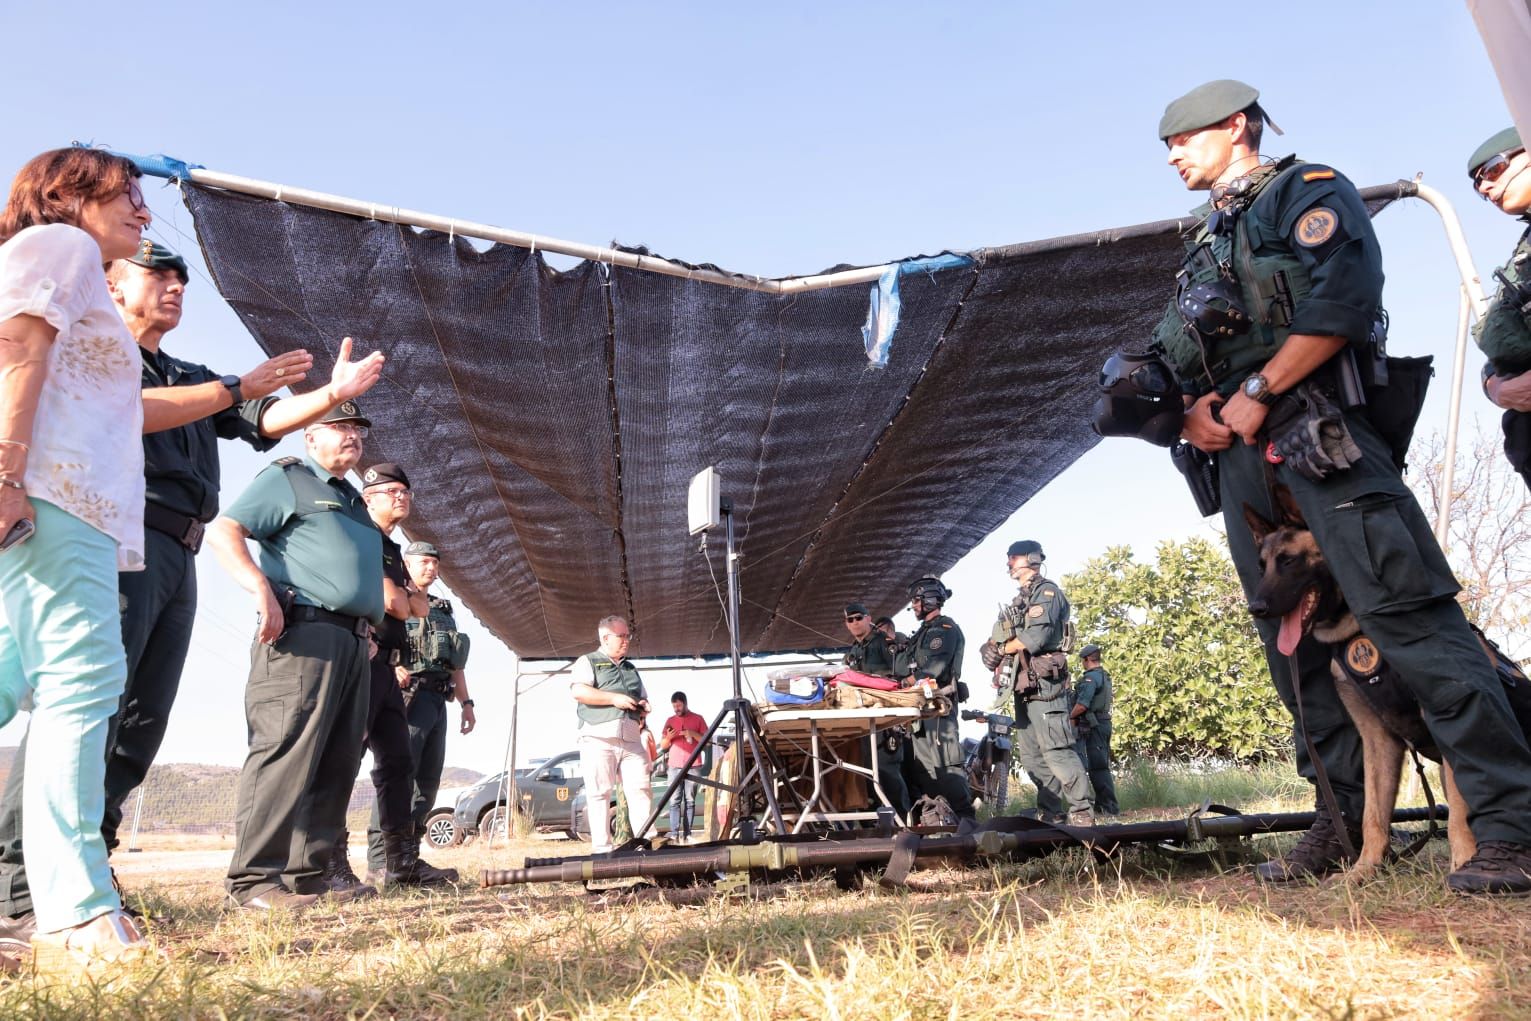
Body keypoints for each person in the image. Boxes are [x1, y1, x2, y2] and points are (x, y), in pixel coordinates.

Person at [1154, 79, 1531, 892]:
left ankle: (1509, 827)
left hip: (1318, 434)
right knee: (1290, 649)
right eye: (1167, 148)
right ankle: (1340, 824)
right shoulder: (1203, 242)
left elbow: (1345, 299)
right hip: (1239, 456)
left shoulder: (1307, 192)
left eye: (1184, 139)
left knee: (1411, 621)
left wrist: (1258, 393)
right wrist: (1189, 414)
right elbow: (1171, 353)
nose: (1174, 155)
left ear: (1236, 126)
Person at [0, 241, 383, 933]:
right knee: (84, 707)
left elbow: (259, 421)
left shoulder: (190, 372)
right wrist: (238, 384)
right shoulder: (98, 349)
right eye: (158, 275)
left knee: (138, 723)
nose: (175, 287)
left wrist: (332, 395)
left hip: (178, 548)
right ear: (111, 285)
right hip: (112, 532)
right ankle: (20, 884)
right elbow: (146, 407)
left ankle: (91, 866)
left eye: (182, 279)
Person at [0, 147, 156, 969]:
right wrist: (6, 468)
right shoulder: (58, 247)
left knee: (8, 681)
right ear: (68, 195)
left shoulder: (81, 274)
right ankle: (75, 916)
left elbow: (128, 402)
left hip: (58, 496)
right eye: (127, 194)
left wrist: (245, 389)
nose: (143, 209)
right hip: (53, 494)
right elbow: (15, 348)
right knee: (82, 678)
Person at [205, 399, 387, 910]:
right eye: (339, 426)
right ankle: (253, 881)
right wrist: (260, 589)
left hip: (351, 643)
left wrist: (366, 624)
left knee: (337, 758)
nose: (353, 436)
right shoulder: (289, 479)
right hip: (301, 633)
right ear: (309, 437)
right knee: (285, 750)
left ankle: (312, 873)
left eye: (358, 429)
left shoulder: (351, 499)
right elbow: (226, 530)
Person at [335, 462, 454, 890]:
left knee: (399, 765)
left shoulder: (387, 546)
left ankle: (400, 866)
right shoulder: (360, 535)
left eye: (404, 490)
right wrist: (403, 599)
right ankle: (330, 864)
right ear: (368, 499)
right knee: (343, 761)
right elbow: (399, 605)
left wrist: (405, 598)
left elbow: (416, 607)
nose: (400, 496)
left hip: (386, 664)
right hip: (360, 660)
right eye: (390, 491)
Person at [366, 541, 476, 880]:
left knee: (427, 780)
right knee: (397, 775)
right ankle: (380, 862)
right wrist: (392, 666)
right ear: (406, 565)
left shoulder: (442, 607)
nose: (430, 568)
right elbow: (376, 639)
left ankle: (408, 860)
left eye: (434, 563)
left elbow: (455, 661)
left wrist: (466, 703)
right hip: (405, 695)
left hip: (437, 698)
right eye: (423, 562)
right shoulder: (390, 598)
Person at [981, 541, 1093, 827]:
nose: (1009, 563)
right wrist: (990, 650)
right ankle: (1051, 812)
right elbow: (999, 639)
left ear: (1032, 559)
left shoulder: (1047, 593)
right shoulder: (1020, 601)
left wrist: (1004, 648)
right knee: (1031, 758)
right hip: (1024, 689)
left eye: (1013, 558)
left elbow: (1036, 639)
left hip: (1046, 688)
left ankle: (1082, 813)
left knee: (1057, 751)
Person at [1468, 127, 1531, 491]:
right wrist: (1494, 386)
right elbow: (1502, 341)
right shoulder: (1522, 255)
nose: (1486, 188)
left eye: (1493, 170)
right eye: (1478, 186)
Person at [569, 616, 654, 854]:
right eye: (622, 636)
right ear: (606, 638)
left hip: (631, 738)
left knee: (641, 789)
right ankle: (602, 850)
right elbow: (579, 691)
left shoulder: (630, 668)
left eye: (628, 636)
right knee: (599, 793)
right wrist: (613, 698)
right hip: (598, 737)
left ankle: (645, 844)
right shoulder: (588, 661)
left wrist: (644, 704)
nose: (626, 640)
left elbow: (642, 693)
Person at [900, 578, 976, 825]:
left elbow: (931, 669)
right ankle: (939, 822)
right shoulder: (920, 634)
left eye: (916, 600)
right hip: (920, 712)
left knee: (948, 769)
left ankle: (967, 822)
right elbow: (901, 665)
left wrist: (908, 679)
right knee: (924, 770)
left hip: (939, 709)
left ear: (930, 599)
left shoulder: (944, 630)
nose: (913, 606)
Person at [843, 602, 913, 819]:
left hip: (885, 719)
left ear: (868, 617)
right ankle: (875, 829)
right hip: (861, 722)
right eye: (850, 619)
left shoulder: (885, 643)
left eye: (858, 617)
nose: (854, 622)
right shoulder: (852, 652)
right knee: (864, 775)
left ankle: (904, 822)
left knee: (887, 772)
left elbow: (903, 675)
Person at [1071, 644, 1119, 816]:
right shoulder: (1104, 675)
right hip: (1102, 723)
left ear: (1086, 660)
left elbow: (1083, 704)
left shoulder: (1091, 678)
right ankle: (1101, 807)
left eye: (1082, 661)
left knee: (1098, 768)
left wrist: (1070, 717)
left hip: (1096, 724)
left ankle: (1109, 808)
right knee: (1099, 765)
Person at [658, 691, 707, 836]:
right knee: (674, 800)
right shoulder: (670, 720)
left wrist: (692, 733)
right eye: (674, 707)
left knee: (690, 800)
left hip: (693, 765)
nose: (676, 709)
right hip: (674, 766)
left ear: (685, 703)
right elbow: (664, 745)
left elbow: (707, 741)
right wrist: (669, 737)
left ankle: (688, 834)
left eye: (679, 706)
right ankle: (674, 833)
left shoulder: (698, 719)